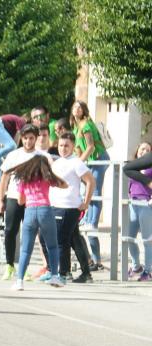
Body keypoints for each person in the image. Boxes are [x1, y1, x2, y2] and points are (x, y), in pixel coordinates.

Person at [0, 124, 50, 281]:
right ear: (21, 138)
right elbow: (4, 178)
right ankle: (9, 265)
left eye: (31, 138)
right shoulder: (14, 155)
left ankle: (24, 268)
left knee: (29, 234)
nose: (28, 141)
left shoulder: (41, 156)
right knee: (10, 231)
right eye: (25, 138)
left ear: (36, 138)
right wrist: (1, 199)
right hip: (14, 197)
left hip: (32, 200)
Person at [11, 155, 68, 290]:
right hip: (45, 211)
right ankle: (54, 276)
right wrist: (50, 173)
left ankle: (19, 280)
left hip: (30, 211)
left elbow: (20, 201)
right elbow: (65, 185)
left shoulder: (24, 179)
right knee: (52, 246)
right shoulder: (47, 178)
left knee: (26, 249)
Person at [49, 132, 95, 284]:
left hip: (69, 207)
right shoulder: (56, 163)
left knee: (61, 240)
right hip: (56, 205)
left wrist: (86, 202)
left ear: (73, 146)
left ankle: (64, 272)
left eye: (67, 146)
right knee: (75, 239)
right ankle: (86, 273)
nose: (63, 148)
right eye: (61, 145)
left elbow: (90, 181)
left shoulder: (76, 162)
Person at [71, 100, 109, 271]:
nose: (77, 110)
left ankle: (92, 219)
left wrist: (78, 164)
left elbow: (91, 147)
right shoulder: (76, 127)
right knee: (88, 189)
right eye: (75, 107)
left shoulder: (86, 125)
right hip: (90, 162)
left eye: (80, 107)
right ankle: (95, 260)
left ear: (84, 110)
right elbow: (78, 148)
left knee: (94, 190)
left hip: (98, 158)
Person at [123, 142, 152, 281]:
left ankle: (148, 271)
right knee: (129, 238)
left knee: (147, 240)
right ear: (137, 151)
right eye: (142, 148)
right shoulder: (132, 166)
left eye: (148, 149)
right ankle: (136, 266)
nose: (144, 151)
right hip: (132, 204)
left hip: (146, 205)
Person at [0, 113, 26, 185]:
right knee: (12, 146)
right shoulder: (22, 121)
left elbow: (6, 145)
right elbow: (15, 143)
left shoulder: (12, 128)